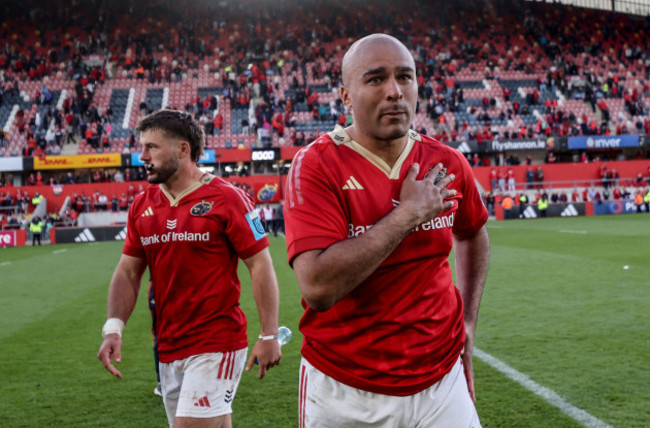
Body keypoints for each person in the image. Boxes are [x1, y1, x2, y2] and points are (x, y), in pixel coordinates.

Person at [284, 34, 489, 428]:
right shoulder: (316, 165)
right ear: (345, 96)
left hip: (441, 380)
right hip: (345, 387)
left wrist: (467, 321)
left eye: (405, 77)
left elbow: (473, 232)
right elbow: (319, 288)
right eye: (376, 79)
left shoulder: (447, 162)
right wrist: (408, 213)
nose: (395, 91)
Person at [97, 109, 282, 428]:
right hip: (168, 345)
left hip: (217, 342)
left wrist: (269, 334)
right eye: (142, 147)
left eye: (151, 147)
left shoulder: (228, 199)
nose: (142, 156)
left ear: (183, 149)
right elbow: (128, 272)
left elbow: (260, 263)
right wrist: (113, 328)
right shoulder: (142, 205)